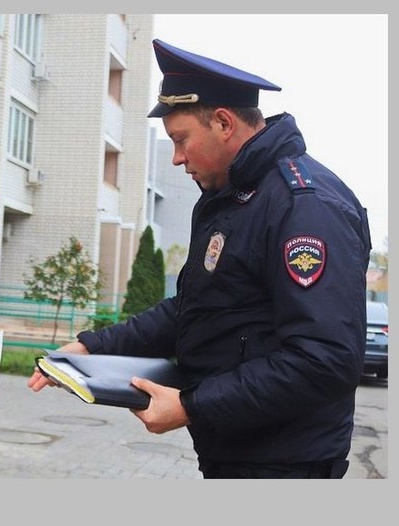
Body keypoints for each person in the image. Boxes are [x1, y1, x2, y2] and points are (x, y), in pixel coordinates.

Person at [28, 39, 372, 479]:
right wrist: (91, 348)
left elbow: (324, 360)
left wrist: (191, 406)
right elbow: (194, 309)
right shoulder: (234, 198)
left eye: (181, 139)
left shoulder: (302, 205)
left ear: (224, 123)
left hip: (285, 463)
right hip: (238, 450)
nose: (176, 158)